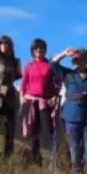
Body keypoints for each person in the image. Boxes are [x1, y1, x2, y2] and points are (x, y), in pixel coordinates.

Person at [52, 47, 87, 174]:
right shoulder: (68, 74)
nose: (76, 61)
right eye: (75, 59)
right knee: (74, 150)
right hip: (71, 116)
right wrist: (64, 53)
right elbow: (52, 63)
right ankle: (77, 173)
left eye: (79, 59)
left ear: (85, 60)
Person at [20, 38, 60, 167]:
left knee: (47, 131)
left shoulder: (50, 65)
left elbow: (58, 82)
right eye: (36, 49)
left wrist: (55, 95)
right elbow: (23, 84)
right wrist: (22, 97)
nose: (39, 51)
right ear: (33, 51)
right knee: (32, 131)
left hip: (46, 102)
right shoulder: (28, 66)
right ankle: (35, 159)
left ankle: (51, 161)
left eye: (41, 49)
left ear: (45, 50)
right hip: (31, 102)